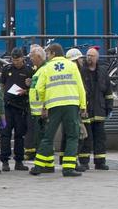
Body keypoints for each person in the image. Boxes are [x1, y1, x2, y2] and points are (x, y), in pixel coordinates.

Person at [30, 43, 86, 177]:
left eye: (48, 54)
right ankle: (68, 168)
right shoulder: (72, 66)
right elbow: (80, 87)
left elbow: (39, 88)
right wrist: (83, 106)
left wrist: (44, 105)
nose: (47, 56)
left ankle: (38, 166)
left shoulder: (47, 68)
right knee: (72, 136)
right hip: (71, 105)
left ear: (54, 53)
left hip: (54, 106)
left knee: (48, 137)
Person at [0, 47, 34, 171]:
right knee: (5, 134)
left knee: (20, 135)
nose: (15, 62)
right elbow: (2, 84)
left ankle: (19, 161)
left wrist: (26, 91)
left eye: (18, 60)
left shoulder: (29, 70)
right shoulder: (7, 69)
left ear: (23, 58)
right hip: (8, 106)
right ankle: (5, 161)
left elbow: (34, 88)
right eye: (13, 60)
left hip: (21, 106)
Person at [80, 47, 113, 170]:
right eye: (88, 55)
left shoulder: (103, 72)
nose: (89, 58)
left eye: (92, 56)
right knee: (86, 138)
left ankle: (100, 162)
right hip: (86, 110)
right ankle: (84, 162)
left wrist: (110, 107)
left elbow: (108, 92)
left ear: (97, 57)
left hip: (99, 110)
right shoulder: (82, 71)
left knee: (100, 138)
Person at [24, 45, 47, 160]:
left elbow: (47, 89)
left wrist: (45, 107)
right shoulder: (38, 70)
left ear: (38, 56)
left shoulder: (44, 69)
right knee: (37, 135)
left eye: (32, 57)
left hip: (41, 110)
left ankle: (42, 160)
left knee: (41, 136)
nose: (31, 59)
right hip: (35, 110)